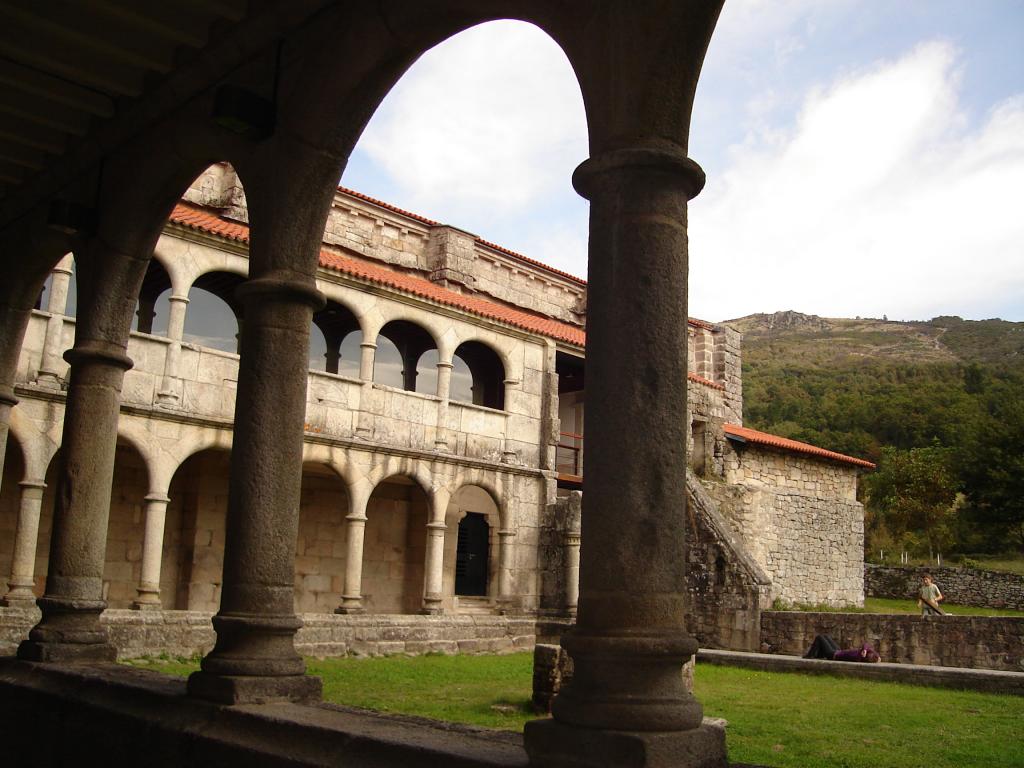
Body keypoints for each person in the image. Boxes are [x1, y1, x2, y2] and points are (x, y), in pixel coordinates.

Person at [803, 634, 881, 662]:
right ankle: (819, 655)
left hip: (833, 655)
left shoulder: (859, 657)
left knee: (819, 637)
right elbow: (867, 645)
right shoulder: (865, 652)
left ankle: (810, 655)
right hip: (839, 651)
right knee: (826, 636)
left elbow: (867, 646)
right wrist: (865, 650)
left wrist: (864, 651)